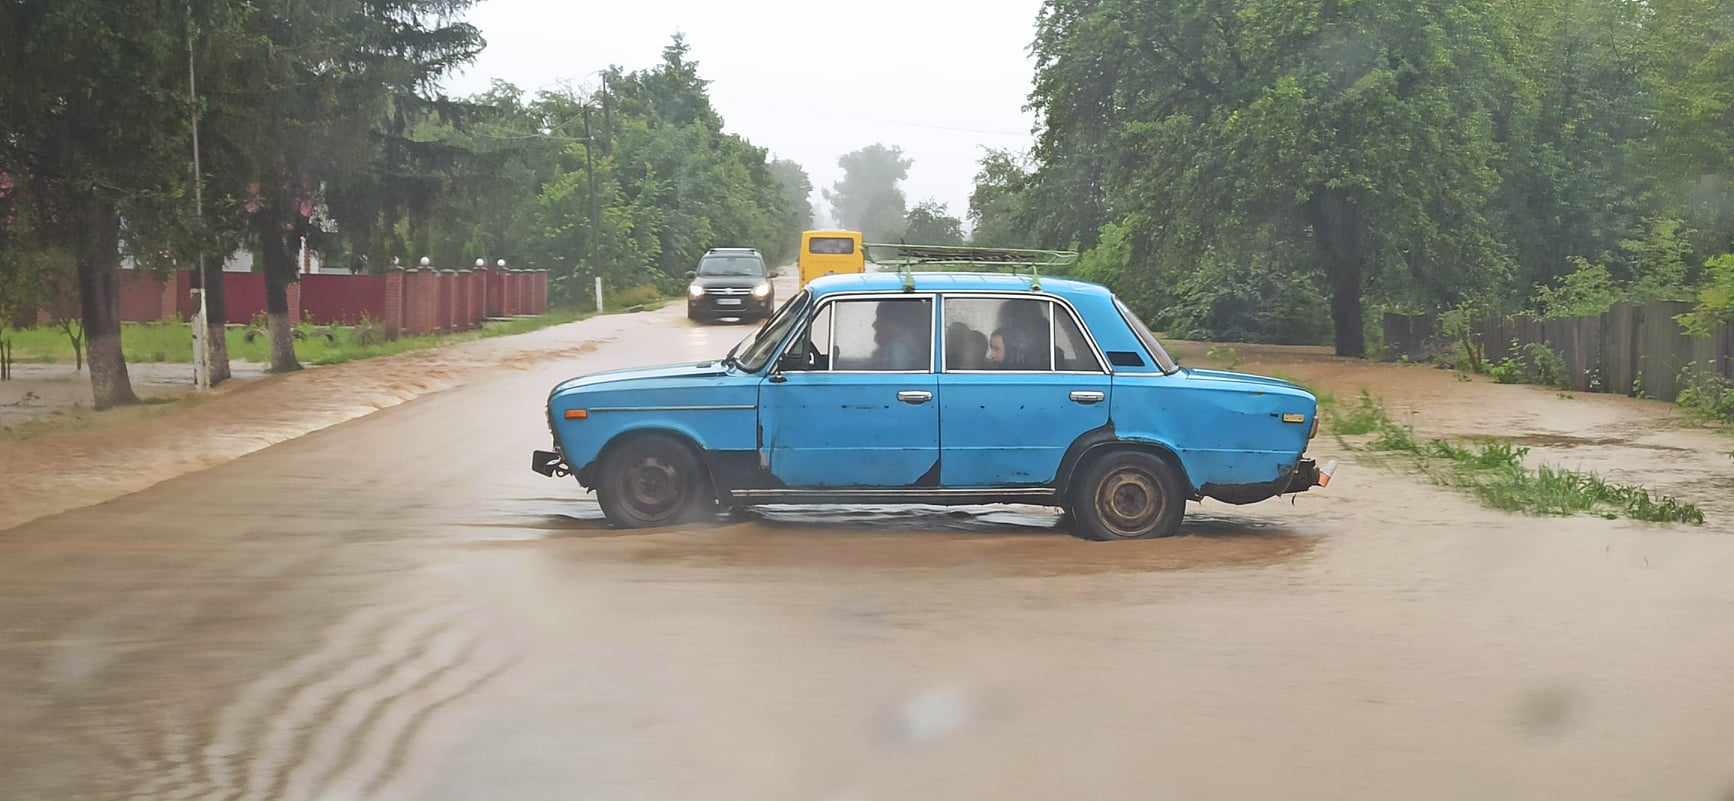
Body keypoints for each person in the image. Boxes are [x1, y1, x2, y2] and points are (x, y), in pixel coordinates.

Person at [870, 301, 929, 370]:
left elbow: (894, 379)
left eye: (880, 318)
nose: (874, 325)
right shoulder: (910, 348)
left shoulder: (899, 351)